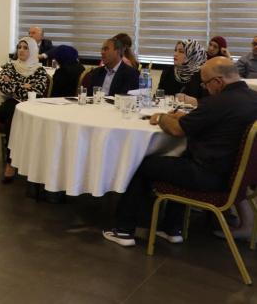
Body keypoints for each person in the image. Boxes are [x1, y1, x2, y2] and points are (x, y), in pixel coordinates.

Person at [103, 57, 257, 247]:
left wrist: (161, 117)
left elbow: (177, 130)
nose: (205, 88)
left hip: (209, 177)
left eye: (205, 83)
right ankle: (171, 228)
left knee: (142, 164)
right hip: (236, 178)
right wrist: (185, 117)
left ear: (218, 81)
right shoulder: (251, 98)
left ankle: (123, 230)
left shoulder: (217, 102)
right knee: (181, 158)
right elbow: (209, 121)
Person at [0, 37, 50, 183]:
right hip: (12, 104)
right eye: (19, 47)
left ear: (33, 50)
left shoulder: (39, 70)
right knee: (13, 115)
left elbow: (38, 91)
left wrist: (13, 83)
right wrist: (25, 86)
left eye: (26, 48)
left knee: (15, 117)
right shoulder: (10, 66)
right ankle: (11, 162)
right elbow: (3, 87)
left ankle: (15, 162)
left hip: (31, 106)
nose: (21, 50)